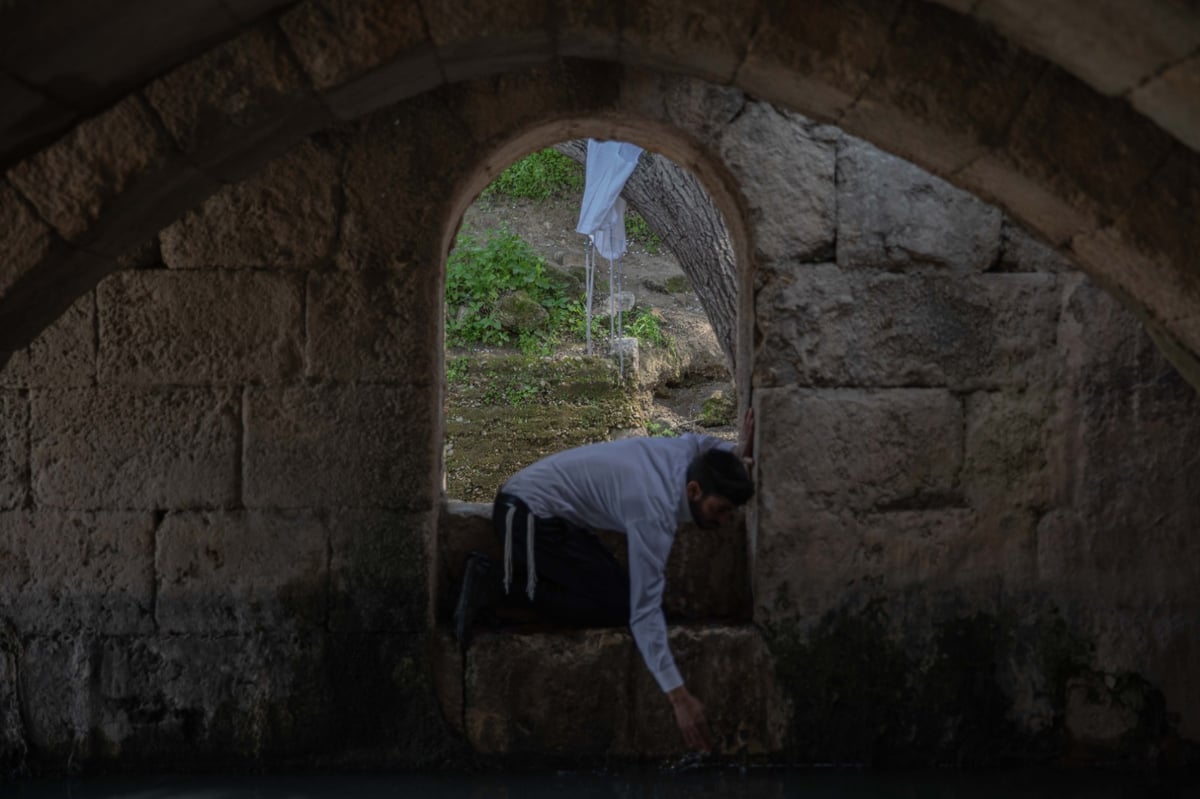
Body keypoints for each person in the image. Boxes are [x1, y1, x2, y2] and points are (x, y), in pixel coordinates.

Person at [454, 410, 754, 753]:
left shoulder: (685, 458)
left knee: (614, 598)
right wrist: (679, 697)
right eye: (721, 510)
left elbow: (700, 443)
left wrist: (735, 452)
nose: (726, 521)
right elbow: (644, 613)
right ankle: (495, 582)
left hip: (543, 510)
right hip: (524, 515)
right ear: (694, 490)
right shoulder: (653, 508)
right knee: (615, 607)